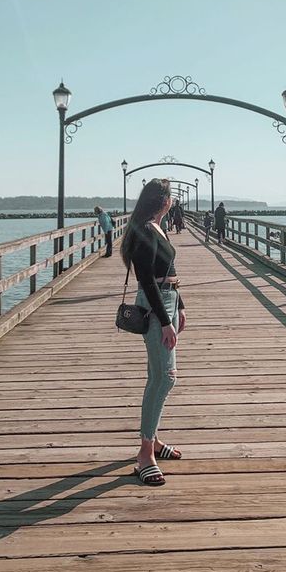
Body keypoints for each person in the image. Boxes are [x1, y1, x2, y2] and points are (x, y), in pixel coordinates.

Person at [120, 178, 186, 486]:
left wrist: (180, 307)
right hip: (154, 305)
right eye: (170, 197)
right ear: (165, 201)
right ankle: (145, 453)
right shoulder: (145, 230)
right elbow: (146, 280)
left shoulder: (157, 227)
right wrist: (165, 321)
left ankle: (154, 441)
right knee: (166, 377)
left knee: (157, 375)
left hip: (168, 300)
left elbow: (169, 271)